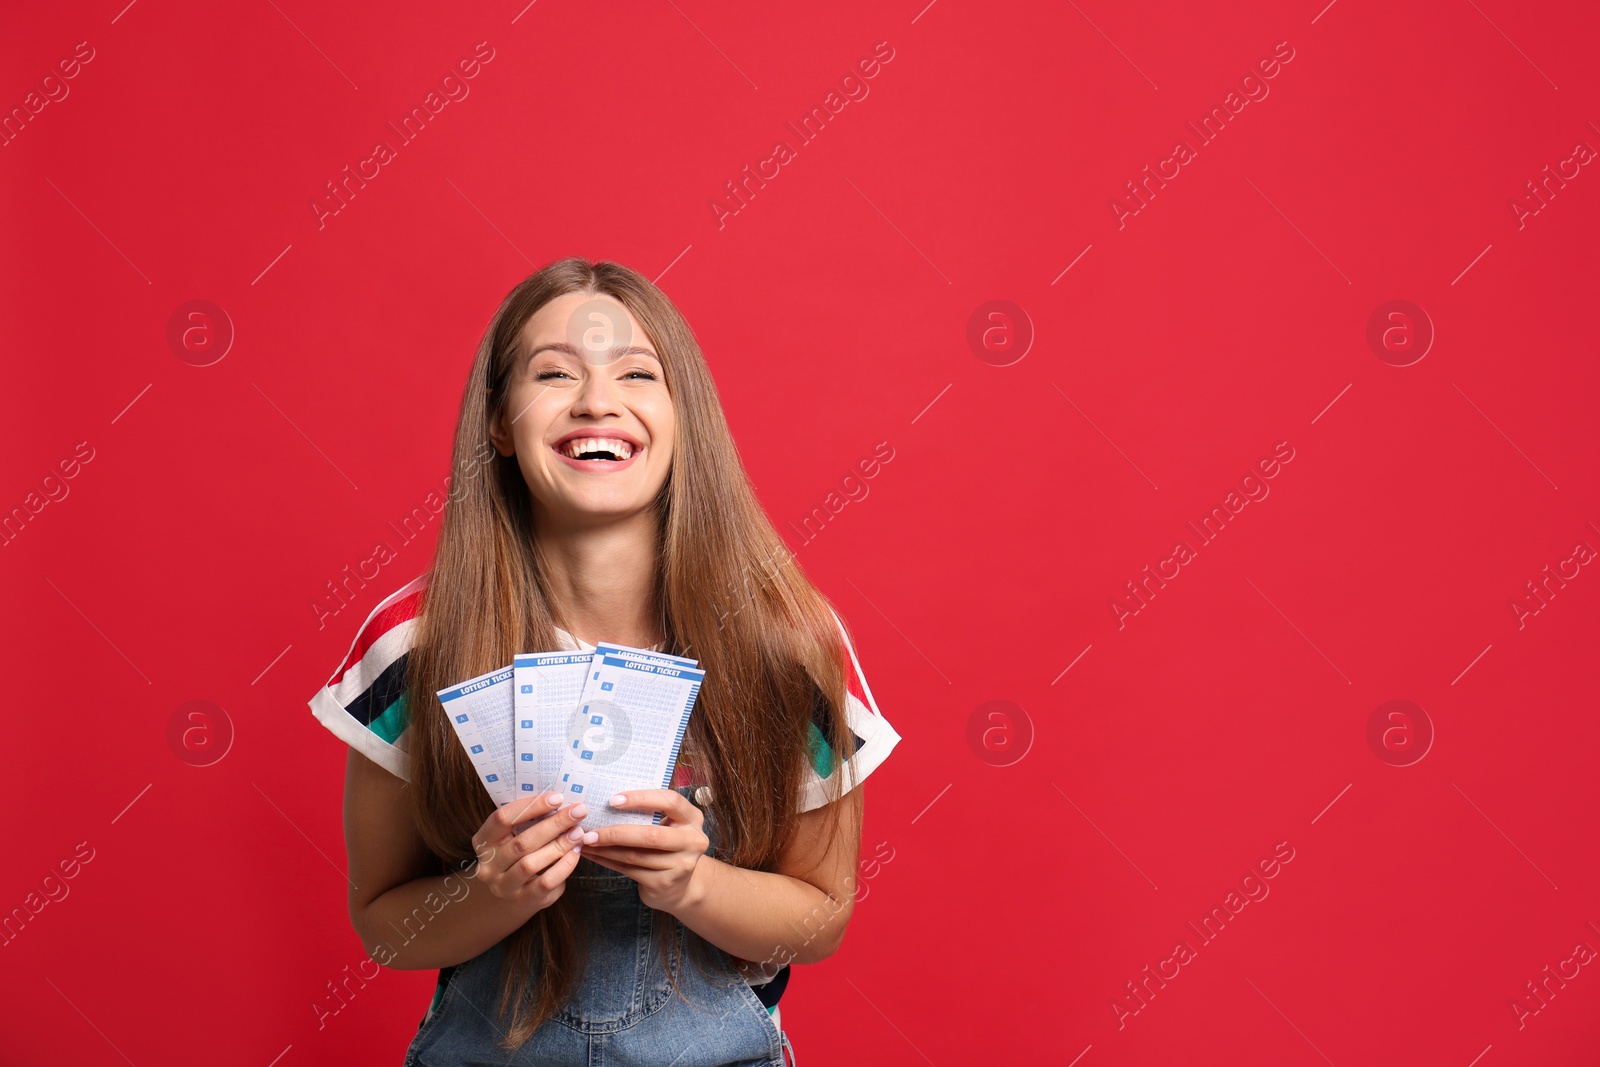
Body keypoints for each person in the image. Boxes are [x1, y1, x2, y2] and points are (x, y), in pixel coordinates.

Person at [306, 257, 902, 1065]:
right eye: (554, 372)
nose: (596, 400)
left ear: (683, 413)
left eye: (637, 372)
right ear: (497, 422)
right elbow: (383, 921)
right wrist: (490, 894)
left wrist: (695, 884)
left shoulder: (786, 641)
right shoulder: (415, 639)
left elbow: (821, 918)